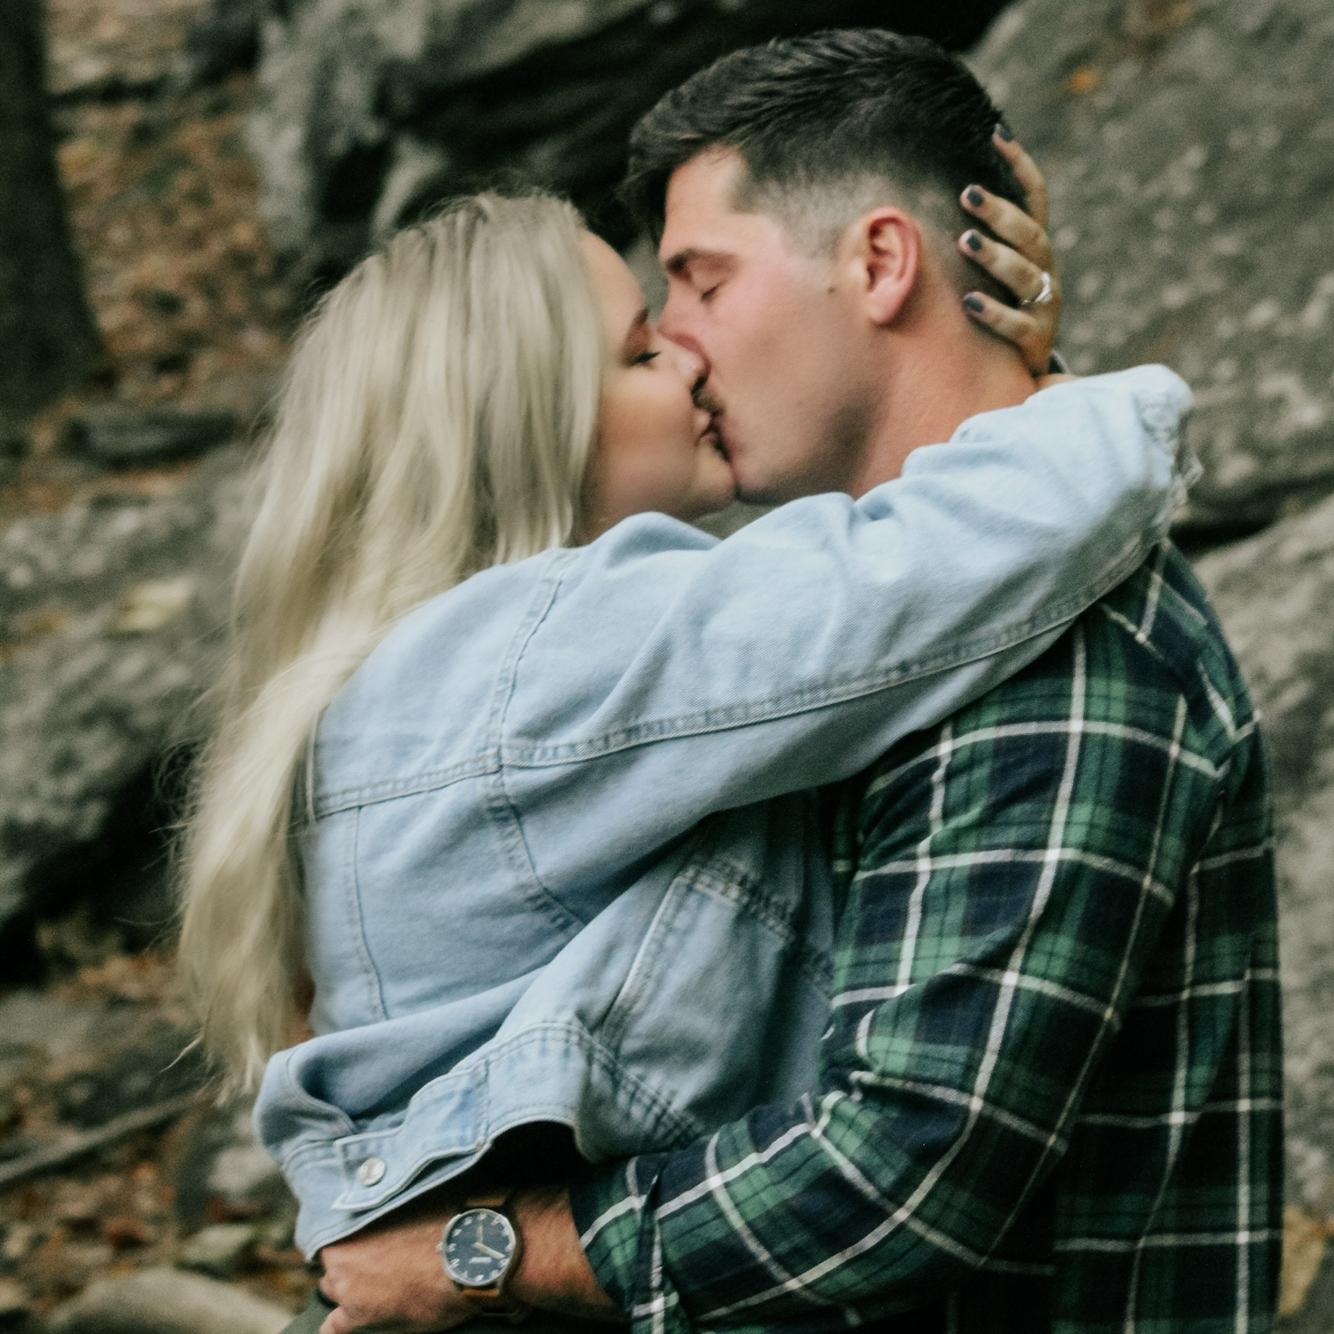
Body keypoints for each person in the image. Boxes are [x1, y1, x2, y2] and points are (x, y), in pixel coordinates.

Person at [312, 29, 1282, 1334]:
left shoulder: (1058, 648)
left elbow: (898, 1175)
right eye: (644, 336)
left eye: (700, 283)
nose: (680, 346)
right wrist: (1049, 400)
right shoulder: (788, 641)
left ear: (878, 262)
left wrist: (476, 1254)